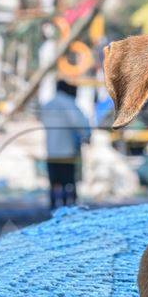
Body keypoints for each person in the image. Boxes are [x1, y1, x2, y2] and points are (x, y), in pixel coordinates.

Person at [40, 80, 92, 209]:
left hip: (51, 152)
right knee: (69, 183)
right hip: (67, 151)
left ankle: (53, 208)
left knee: (54, 183)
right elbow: (80, 123)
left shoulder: (48, 105)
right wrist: (86, 135)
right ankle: (69, 208)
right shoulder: (69, 104)